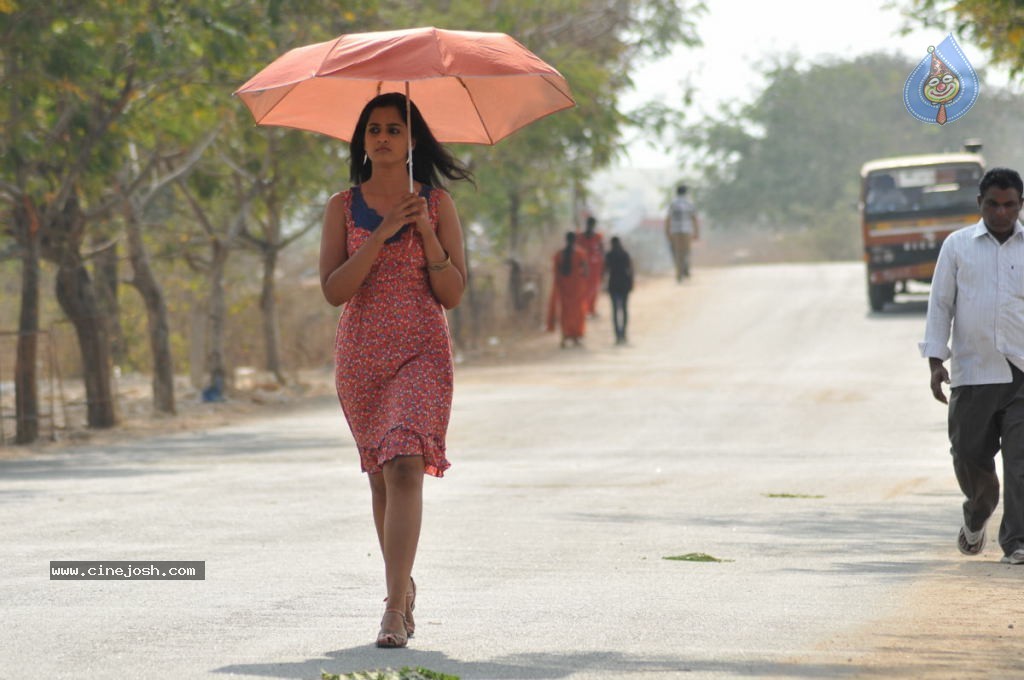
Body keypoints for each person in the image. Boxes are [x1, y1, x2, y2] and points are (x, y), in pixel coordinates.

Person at [319, 92, 472, 647]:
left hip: (422, 354)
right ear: (363, 141)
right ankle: (403, 588)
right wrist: (382, 233)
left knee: (406, 465)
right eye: (374, 129)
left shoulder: (437, 204)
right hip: (362, 357)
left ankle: (390, 609)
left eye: (394, 129)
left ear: (412, 141)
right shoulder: (341, 206)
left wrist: (424, 229)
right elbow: (335, 290)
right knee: (383, 478)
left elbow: (452, 293)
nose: (383, 137)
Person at [920, 167, 1024, 566]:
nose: (1001, 213)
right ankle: (977, 514)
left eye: (1009, 205)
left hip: (1021, 375)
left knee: (1020, 463)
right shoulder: (958, 246)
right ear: (979, 204)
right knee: (968, 456)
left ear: (1019, 205)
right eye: (993, 205)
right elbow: (940, 304)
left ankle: (1016, 542)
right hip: (974, 372)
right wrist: (935, 360)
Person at [546, 231, 589, 348]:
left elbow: (556, 273)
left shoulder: (559, 254)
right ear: (575, 240)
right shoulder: (580, 253)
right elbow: (586, 271)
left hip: (564, 289)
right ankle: (575, 336)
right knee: (578, 313)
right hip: (577, 289)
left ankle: (565, 336)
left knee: (565, 313)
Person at [665, 184, 700, 282]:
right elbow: (694, 219)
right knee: (686, 251)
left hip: (675, 231)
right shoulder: (689, 203)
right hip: (687, 230)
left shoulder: (673, 203)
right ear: (686, 192)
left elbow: (668, 219)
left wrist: (667, 232)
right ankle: (685, 269)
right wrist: (696, 232)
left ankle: (679, 273)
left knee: (677, 252)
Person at [604, 236, 634, 345]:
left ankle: (618, 335)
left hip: (613, 285)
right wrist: (631, 283)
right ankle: (623, 334)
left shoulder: (609, 255)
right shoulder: (625, 254)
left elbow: (605, 271)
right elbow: (631, 270)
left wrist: (604, 284)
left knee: (615, 311)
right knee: (624, 310)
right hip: (624, 284)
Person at [577, 216, 605, 317]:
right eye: (589, 224)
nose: (590, 226)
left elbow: (602, 251)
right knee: (583, 289)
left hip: (595, 267)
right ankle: (583, 309)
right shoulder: (580, 237)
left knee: (594, 289)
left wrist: (603, 267)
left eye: (592, 224)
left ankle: (591, 309)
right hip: (583, 268)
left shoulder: (598, 237)